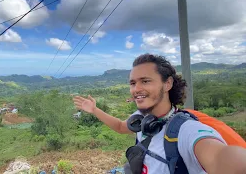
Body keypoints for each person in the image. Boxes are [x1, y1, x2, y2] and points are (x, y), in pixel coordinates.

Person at [73, 53, 246, 174]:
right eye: (132, 83)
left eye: (145, 81)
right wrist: (94, 110)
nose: (136, 89)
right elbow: (119, 126)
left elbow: (222, 158)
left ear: (167, 83)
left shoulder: (186, 130)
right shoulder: (141, 119)